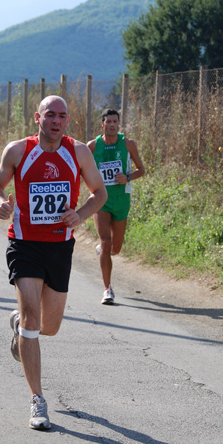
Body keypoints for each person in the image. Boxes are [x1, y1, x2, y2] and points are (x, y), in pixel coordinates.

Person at [0, 95, 107, 430]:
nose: (56, 121)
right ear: (37, 118)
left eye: (62, 116)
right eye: (49, 115)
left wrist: (80, 215)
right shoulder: (18, 151)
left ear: (68, 121)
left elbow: (100, 193)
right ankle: (37, 400)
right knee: (31, 319)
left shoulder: (79, 151)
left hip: (59, 247)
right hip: (24, 244)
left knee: (48, 328)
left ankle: (19, 325)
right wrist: (0, 202)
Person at [87, 108, 145, 305]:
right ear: (102, 124)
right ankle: (107, 289)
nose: (112, 125)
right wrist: (93, 186)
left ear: (118, 125)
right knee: (105, 241)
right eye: (108, 122)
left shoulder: (128, 144)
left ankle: (103, 250)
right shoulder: (93, 146)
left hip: (121, 200)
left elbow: (141, 169)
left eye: (115, 122)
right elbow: (81, 171)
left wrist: (127, 177)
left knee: (116, 248)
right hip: (101, 200)